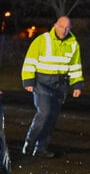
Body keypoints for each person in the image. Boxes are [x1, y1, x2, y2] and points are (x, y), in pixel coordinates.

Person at [20, 16, 84, 158]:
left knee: (52, 117)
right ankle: (29, 144)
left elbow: (75, 66)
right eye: (61, 26)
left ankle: (41, 148)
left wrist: (77, 84)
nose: (64, 30)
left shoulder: (73, 44)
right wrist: (28, 81)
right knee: (45, 112)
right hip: (42, 82)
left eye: (67, 27)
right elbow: (30, 61)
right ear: (55, 25)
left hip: (60, 85)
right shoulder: (42, 40)